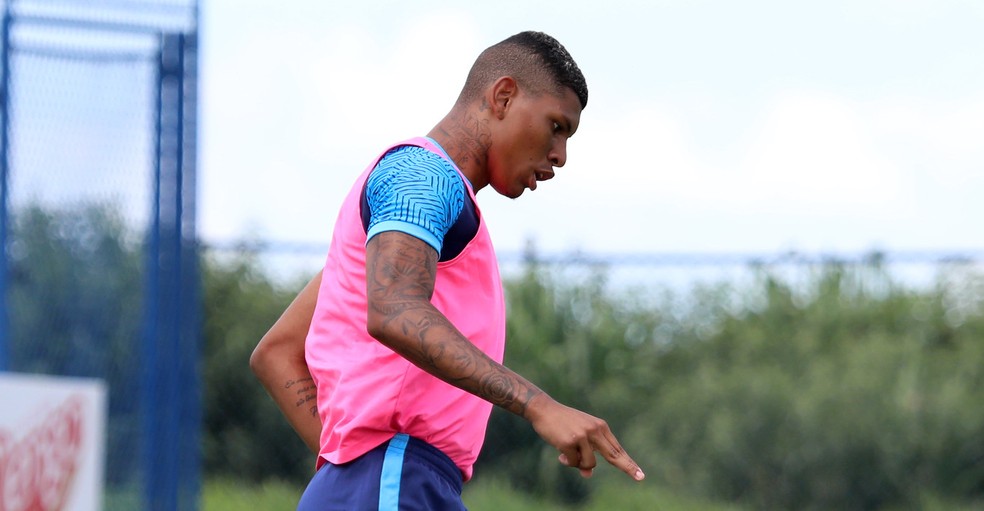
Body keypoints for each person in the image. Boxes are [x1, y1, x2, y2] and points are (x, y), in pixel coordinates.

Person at [250, 30, 644, 510]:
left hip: (391, 482)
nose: (560, 155)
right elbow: (394, 310)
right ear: (503, 96)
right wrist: (539, 405)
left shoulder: (424, 219)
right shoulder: (421, 176)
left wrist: (350, 468)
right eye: (556, 126)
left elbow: (277, 351)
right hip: (394, 478)